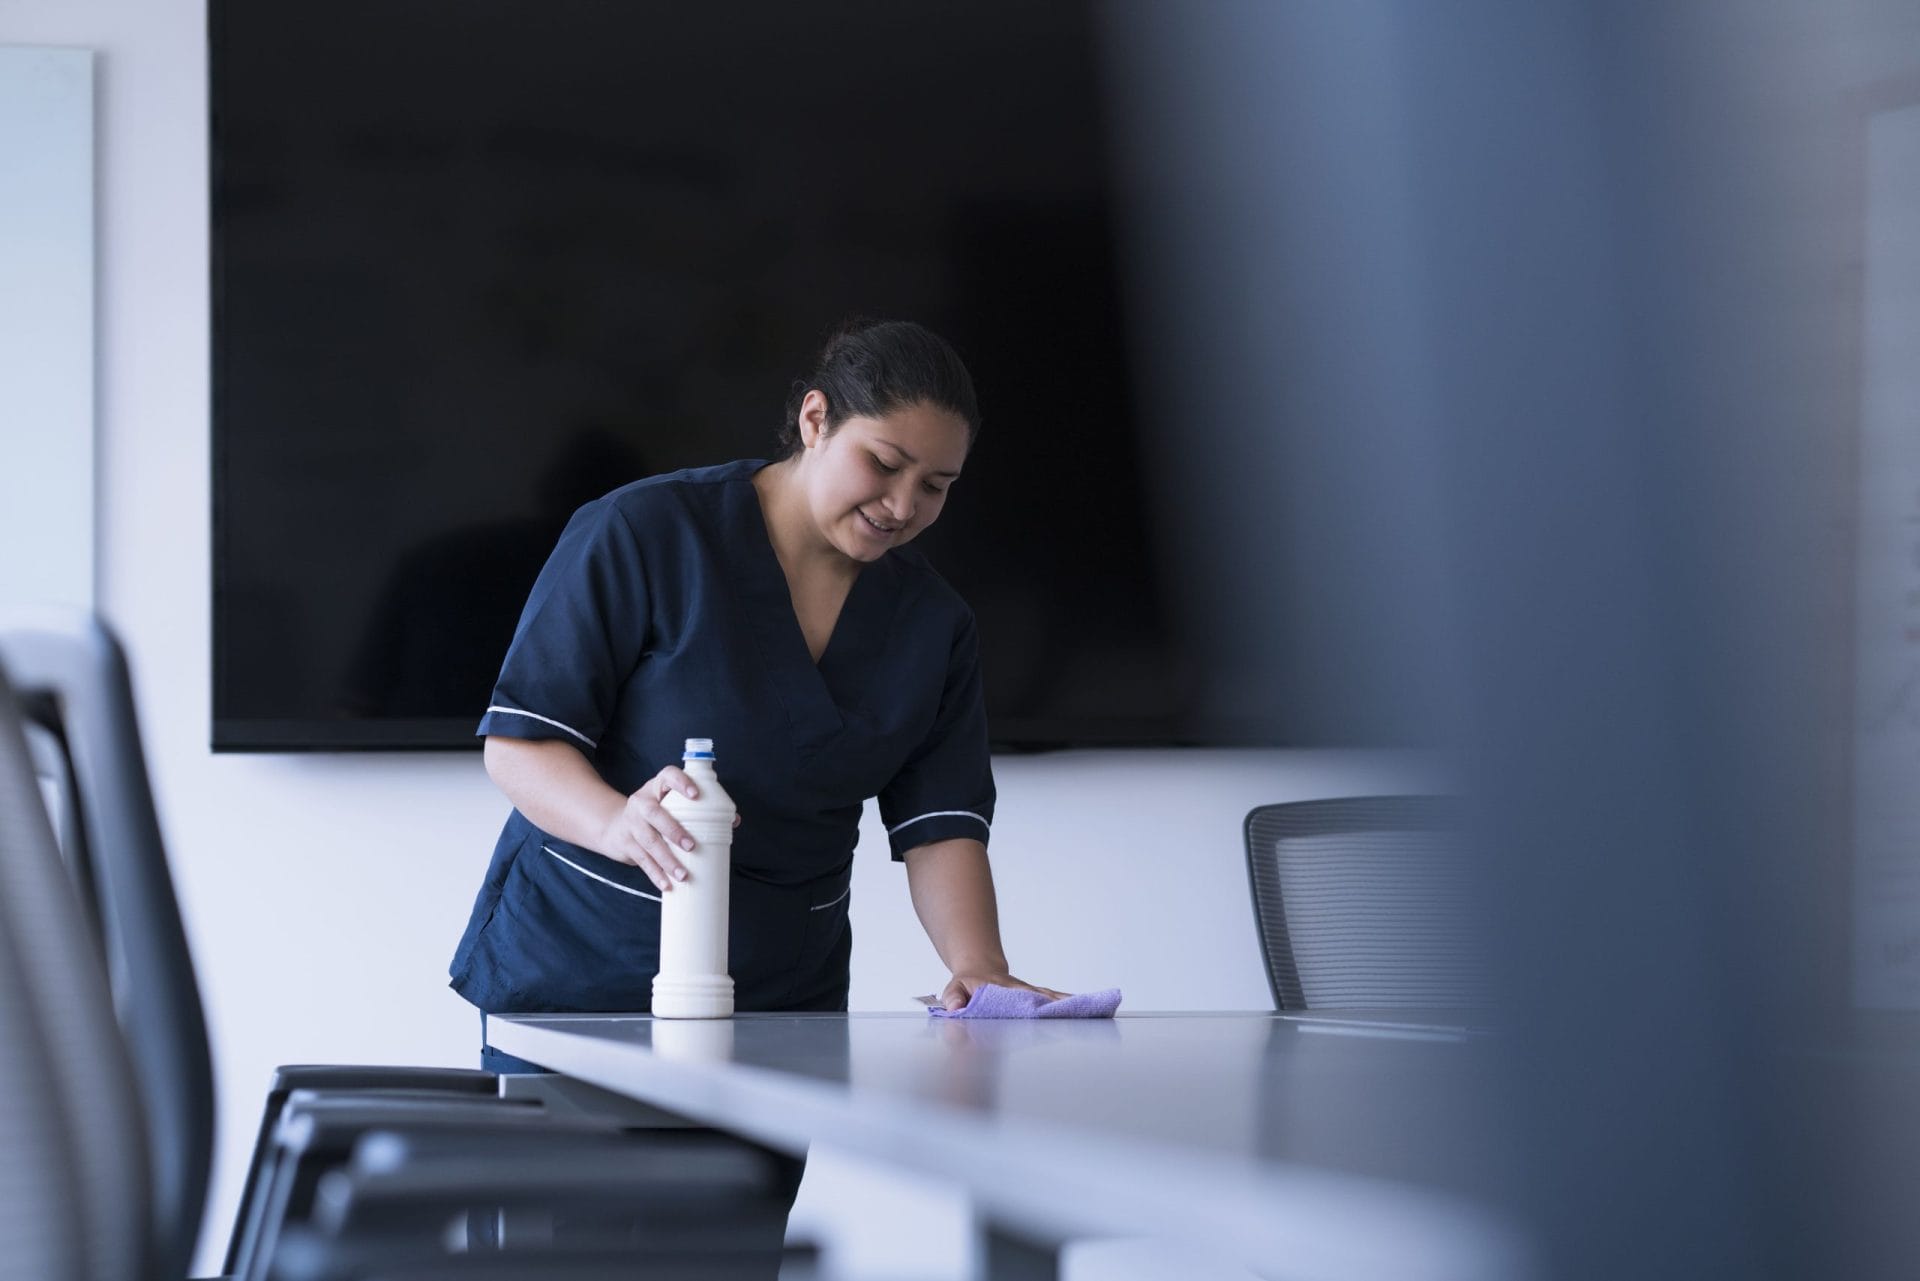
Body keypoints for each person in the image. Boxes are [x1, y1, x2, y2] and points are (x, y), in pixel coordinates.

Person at [449, 318, 1063, 1063]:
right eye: (884, 463)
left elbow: (941, 824)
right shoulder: (646, 533)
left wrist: (980, 969)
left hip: (783, 1004)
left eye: (935, 486)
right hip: (581, 978)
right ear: (815, 419)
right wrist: (619, 823)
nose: (903, 506)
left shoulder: (934, 625)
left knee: (742, 1187)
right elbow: (521, 746)